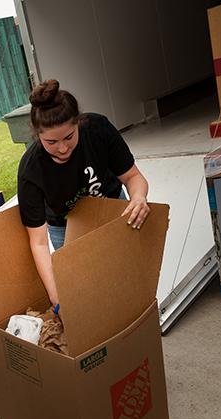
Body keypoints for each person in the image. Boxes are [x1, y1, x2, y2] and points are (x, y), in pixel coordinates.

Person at [17, 79, 151, 307]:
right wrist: (55, 293)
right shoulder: (31, 169)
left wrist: (138, 197)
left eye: (69, 137)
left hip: (113, 209)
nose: (62, 148)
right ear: (37, 135)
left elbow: (132, 177)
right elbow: (38, 242)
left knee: (127, 277)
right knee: (87, 290)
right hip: (66, 226)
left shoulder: (98, 129)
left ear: (79, 123)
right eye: (51, 141)